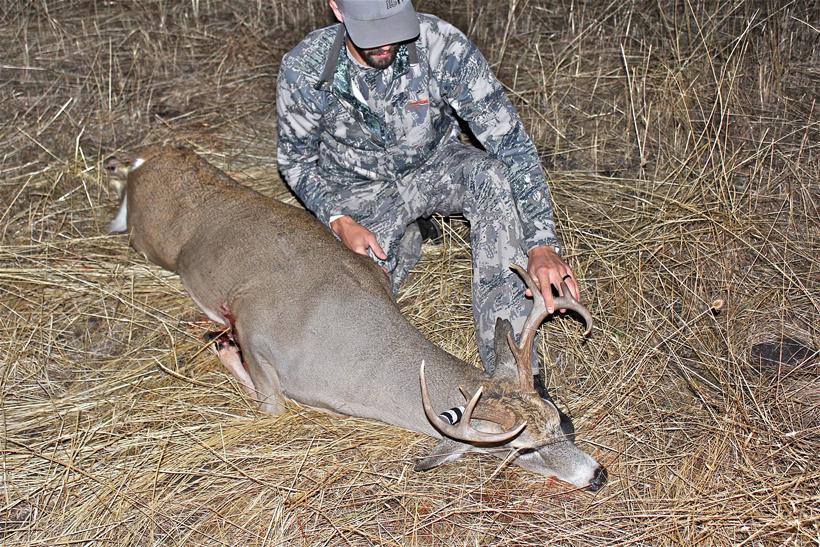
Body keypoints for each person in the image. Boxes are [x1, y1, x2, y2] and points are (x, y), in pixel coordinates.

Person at [276, 0, 581, 394]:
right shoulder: (305, 67)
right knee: (348, 307)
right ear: (337, 8)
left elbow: (510, 143)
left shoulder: (439, 43)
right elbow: (295, 162)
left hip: (434, 167)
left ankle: (516, 380)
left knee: (489, 176)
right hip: (358, 194)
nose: (387, 43)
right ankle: (408, 235)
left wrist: (541, 243)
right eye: (373, 30)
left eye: (394, 26)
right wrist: (338, 219)